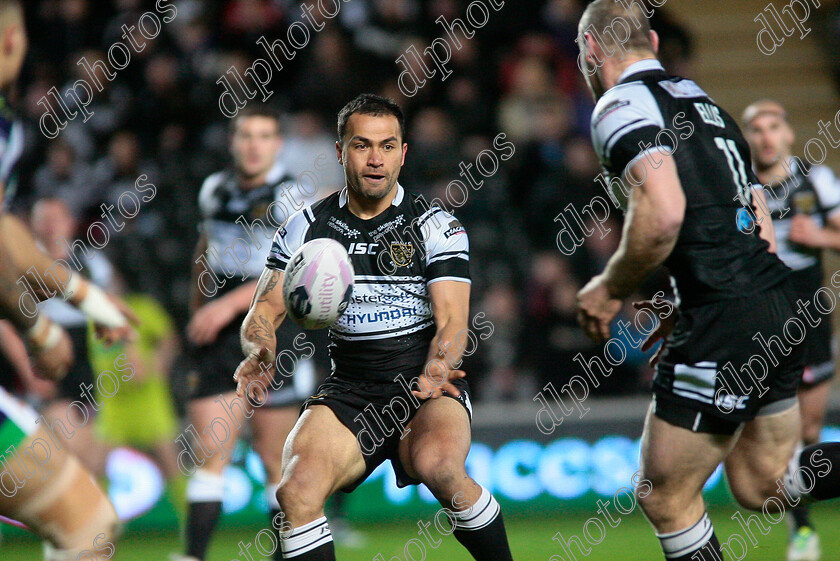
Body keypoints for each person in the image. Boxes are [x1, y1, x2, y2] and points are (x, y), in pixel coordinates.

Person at [574, 3, 840, 561]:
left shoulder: (618, 104)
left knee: (665, 495)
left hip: (727, 312)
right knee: (764, 482)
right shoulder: (710, 107)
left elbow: (665, 212)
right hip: (776, 299)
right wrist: (690, 288)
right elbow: (755, 214)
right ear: (649, 38)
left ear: (592, 50)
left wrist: (609, 287)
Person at [234, 93, 514, 561]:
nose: (376, 159)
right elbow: (262, 313)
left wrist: (439, 366)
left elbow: (453, 321)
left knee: (440, 467)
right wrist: (259, 348)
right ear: (341, 151)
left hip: (423, 383)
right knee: (295, 494)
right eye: (363, 145)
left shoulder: (434, 226)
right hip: (350, 387)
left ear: (404, 153)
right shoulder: (305, 227)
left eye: (388, 146)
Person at [0, 3, 122, 558]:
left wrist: (89, 299)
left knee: (84, 486)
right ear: (10, 42)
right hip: (53, 368)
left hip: (81, 372)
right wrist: (37, 334)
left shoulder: (87, 258)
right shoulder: (8, 130)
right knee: (88, 524)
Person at [175, 105, 318, 561]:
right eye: (246, 135)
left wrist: (222, 307)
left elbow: (287, 274)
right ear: (234, 142)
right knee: (209, 456)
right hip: (215, 337)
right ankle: (192, 556)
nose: (254, 144)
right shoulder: (213, 189)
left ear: (277, 144)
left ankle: (284, 555)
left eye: (264, 135)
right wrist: (198, 306)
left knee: (274, 460)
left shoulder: (291, 196)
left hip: (273, 331)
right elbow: (205, 246)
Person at [743, 99, 840, 561]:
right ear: (748, 138)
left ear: (787, 134)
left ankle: (804, 517)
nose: (765, 136)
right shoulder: (738, 186)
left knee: (812, 427)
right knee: (778, 430)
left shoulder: (815, 180)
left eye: (773, 126)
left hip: (811, 315)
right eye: (756, 128)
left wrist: (817, 236)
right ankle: (801, 529)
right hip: (761, 320)